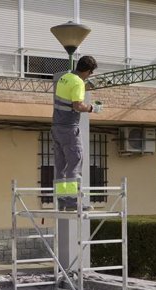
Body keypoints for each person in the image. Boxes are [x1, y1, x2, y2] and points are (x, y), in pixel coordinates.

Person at [51, 55, 102, 211]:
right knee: (75, 163)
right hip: (69, 128)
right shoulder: (78, 82)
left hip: (56, 127)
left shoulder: (65, 78)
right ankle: (74, 202)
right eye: (91, 72)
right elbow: (78, 105)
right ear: (87, 70)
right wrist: (93, 108)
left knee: (60, 166)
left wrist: (84, 87)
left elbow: (67, 96)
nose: (90, 75)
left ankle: (62, 201)